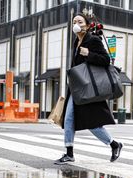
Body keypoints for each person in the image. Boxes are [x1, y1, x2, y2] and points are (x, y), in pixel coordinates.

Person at [55, 14, 123, 164]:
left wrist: (89, 54)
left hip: (89, 88)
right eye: (74, 22)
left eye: (79, 21)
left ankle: (114, 144)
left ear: (87, 24)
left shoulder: (93, 39)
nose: (76, 24)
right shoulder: (76, 41)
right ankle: (69, 153)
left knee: (92, 123)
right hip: (77, 86)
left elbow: (106, 60)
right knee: (68, 119)